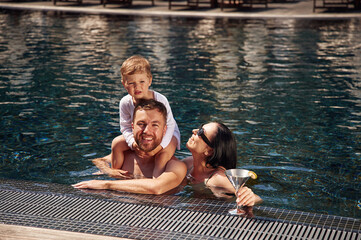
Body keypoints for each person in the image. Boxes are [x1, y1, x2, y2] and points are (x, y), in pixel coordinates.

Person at [73, 99, 187, 195]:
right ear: (132, 127)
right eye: (141, 124)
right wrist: (108, 171)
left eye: (155, 125)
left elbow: (157, 187)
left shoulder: (175, 166)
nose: (147, 131)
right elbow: (99, 160)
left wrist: (106, 184)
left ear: (164, 130)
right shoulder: (124, 154)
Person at [109, 55, 180, 179]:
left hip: (166, 132)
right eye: (131, 83)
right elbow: (125, 127)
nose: (137, 87)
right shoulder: (125, 102)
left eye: (142, 82)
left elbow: (170, 125)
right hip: (140, 133)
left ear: (149, 80)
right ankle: (116, 172)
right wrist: (132, 143)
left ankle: (155, 178)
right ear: (124, 84)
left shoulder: (160, 99)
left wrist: (160, 146)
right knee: (117, 144)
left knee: (162, 155)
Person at [183, 122, 262, 207]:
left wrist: (250, 197)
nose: (194, 131)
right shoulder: (189, 163)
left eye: (201, 132)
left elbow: (257, 199)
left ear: (209, 151)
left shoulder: (217, 178)